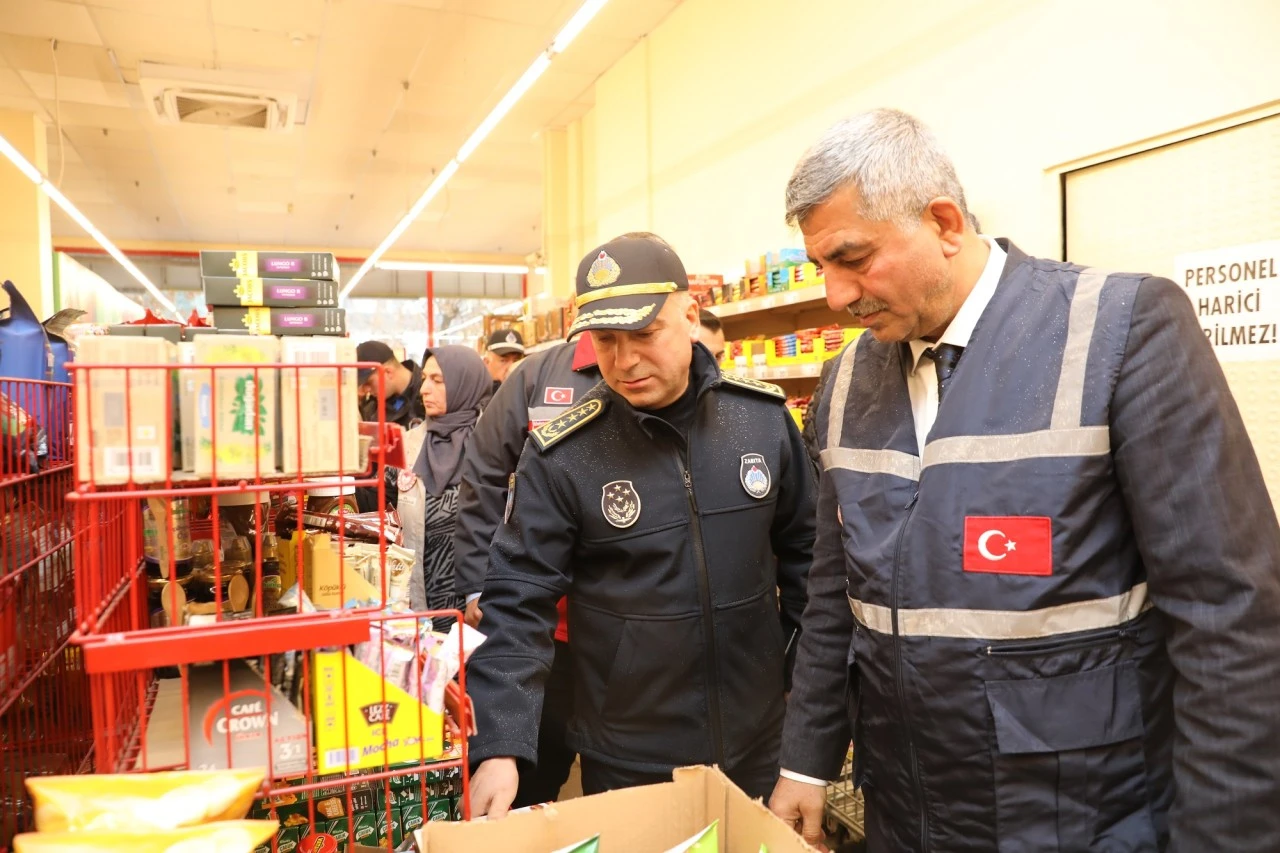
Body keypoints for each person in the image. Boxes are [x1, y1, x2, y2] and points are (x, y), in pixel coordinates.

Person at [768, 108, 1280, 852]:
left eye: (854, 258)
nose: (837, 295)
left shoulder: (1121, 330)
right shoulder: (846, 381)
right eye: (822, 266)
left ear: (944, 223)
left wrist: (1225, 837)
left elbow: (1227, 616)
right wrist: (805, 762)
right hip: (906, 813)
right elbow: (831, 596)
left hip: (1084, 820)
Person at [465, 233, 816, 816]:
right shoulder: (564, 455)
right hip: (629, 754)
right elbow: (518, 600)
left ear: (691, 316)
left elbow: (810, 560)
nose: (624, 360)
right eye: (605, 340)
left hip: (761, 737)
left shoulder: (761, 422)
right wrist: (500, 744)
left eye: (645, 334)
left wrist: (804, 695)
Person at [454, 331, 601, 808]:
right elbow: (483, 480)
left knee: (623, 790)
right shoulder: (536, 377)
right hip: (543, 629)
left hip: (628, 637)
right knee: (529, 774)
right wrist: (477, 584)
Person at [404, 345, 493, 623]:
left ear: (464, 383)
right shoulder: (408, 446)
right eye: (424, 379)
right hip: (417, 600)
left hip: (480, 603)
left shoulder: (493, 446)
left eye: (438, 380)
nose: (424, 390)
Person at [357, 340, 425, 429]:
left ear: (388, 372)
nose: (366, 390)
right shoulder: (372, 405)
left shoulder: (429, 395)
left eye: (369, 382)